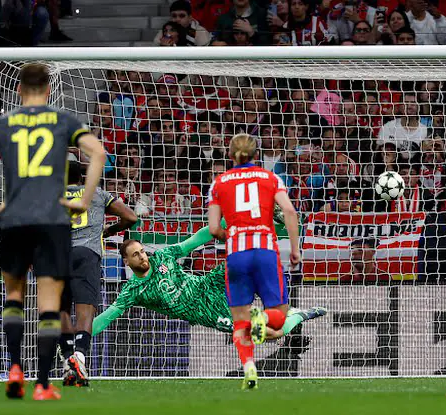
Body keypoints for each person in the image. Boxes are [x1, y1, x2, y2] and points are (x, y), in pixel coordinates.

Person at [0, 64, 106, 401]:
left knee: (13, 298)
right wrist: (84, 198)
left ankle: (14, 369)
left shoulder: (3, 124)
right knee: (49, 303)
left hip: (14, 219)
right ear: (47, 89)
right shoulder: (62, 121)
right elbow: (97, 152)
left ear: (20, 89)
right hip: (52, 221)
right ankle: (41, 384)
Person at [92, 237, 325, 342]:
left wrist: (221, 224)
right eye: (136, 255)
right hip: (205, 312)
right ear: (126, 261)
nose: (143, 256)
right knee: (269, 334)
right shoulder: (133, 290)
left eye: (142, 251)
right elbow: (106, 317)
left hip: (208, 283)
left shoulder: (163, 256)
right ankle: (297, 314)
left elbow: (195, 240)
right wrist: (78, 339)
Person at [207, 133, 302, 390]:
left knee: (239, 321)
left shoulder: (218, 183)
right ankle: (261, 319)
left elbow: (214, 228)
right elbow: (290, 212)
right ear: (256, 155)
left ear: (230, 155)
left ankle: (249, 369)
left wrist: (234, 235)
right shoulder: (270, 178)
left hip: (236, 255)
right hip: (264, 251)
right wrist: (295, 249)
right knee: (280, 317)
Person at [59, 160, 137, 388]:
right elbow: (131, 218)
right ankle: (80, 358)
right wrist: (109, 230)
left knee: (61, 310)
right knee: (85, 310)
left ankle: (67, 363)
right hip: (86, 254)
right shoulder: (98, 193)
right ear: (81, 178)